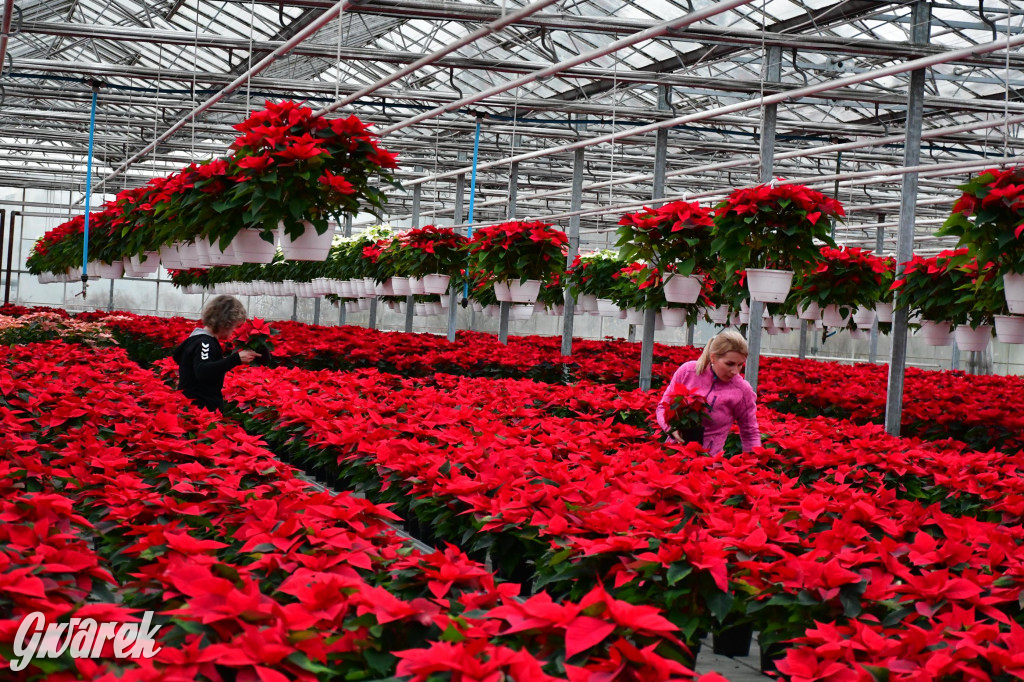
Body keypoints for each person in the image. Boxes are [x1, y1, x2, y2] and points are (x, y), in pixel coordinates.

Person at [656, 329, 761, 454]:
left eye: (740, 365)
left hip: (708, 465)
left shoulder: (742, 390)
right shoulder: (687, 371)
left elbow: (750, 432)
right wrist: (670, 429)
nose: (735, 371)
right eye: (730, 364)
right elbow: (663, 407)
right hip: (674, 456)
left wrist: (753, 465)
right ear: (713, 357)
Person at [172, 295, 259, 412]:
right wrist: (236, 359)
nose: (234, 331)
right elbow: (202, 370)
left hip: (195, 407)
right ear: (226, 323)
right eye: (234, 326)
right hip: (200, 409)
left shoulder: (197, 339)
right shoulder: (204, 342)